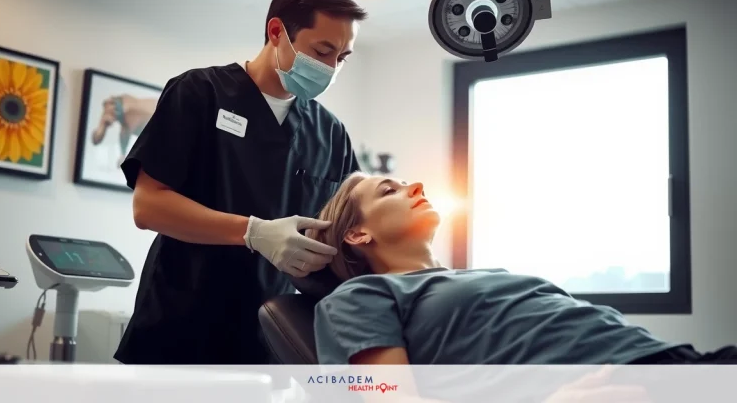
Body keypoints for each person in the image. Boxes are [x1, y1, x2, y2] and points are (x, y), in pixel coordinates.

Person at [114, 0, 366, 365]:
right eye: (323, 50)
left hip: (272, 342)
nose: (331, 68)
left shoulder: (330, 133)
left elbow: (350, 231)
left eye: (342, 58)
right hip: (182, 330)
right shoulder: (200, 93)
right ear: (277, 32)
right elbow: (148, 207)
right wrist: (254, 233)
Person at [308, 172, 737, 367]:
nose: (416, 185)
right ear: (357, 234)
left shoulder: (474, 276)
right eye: (390, 190)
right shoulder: (357, 297)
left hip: (670, 359)